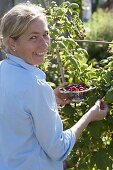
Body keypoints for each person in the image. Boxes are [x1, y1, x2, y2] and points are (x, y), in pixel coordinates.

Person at [0, 3, 108, 170]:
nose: (44, 44)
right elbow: (59, 149)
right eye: (33, 37)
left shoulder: (3, 70)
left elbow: (16, 115)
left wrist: (50, 98)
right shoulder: (35, 87)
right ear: (12, 43)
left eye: (46, 34)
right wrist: (90, 115)